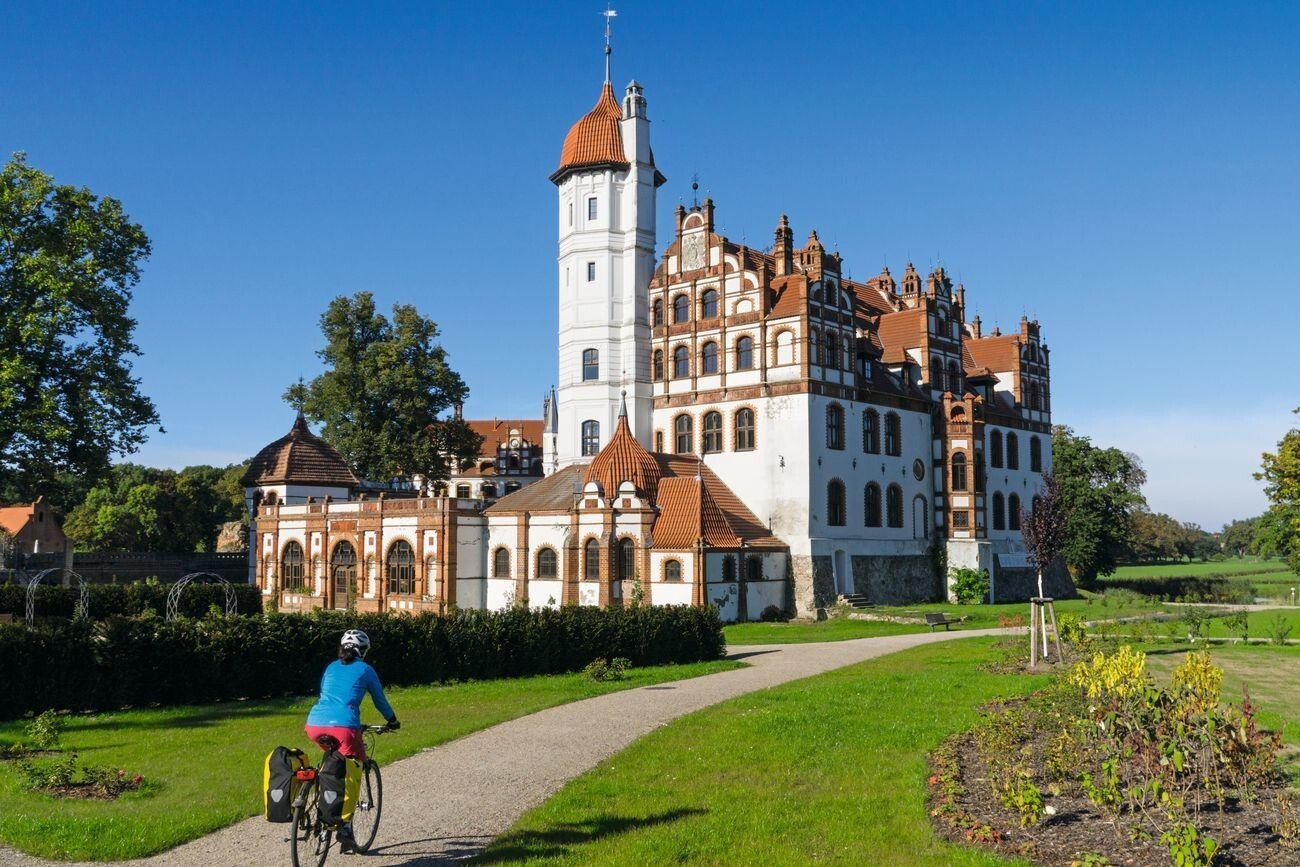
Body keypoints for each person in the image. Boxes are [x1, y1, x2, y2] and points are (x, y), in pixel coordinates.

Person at [304, 629, 399, 851]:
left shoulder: (330, 667)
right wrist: (392, 720)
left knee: (332, 762)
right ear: (362, 650)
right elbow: (379, 700)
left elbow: (327, 695)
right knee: (353, 769)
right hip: (345, 726)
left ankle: (320, 799)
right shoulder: (366, 670)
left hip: (314, 724)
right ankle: (345, 826)